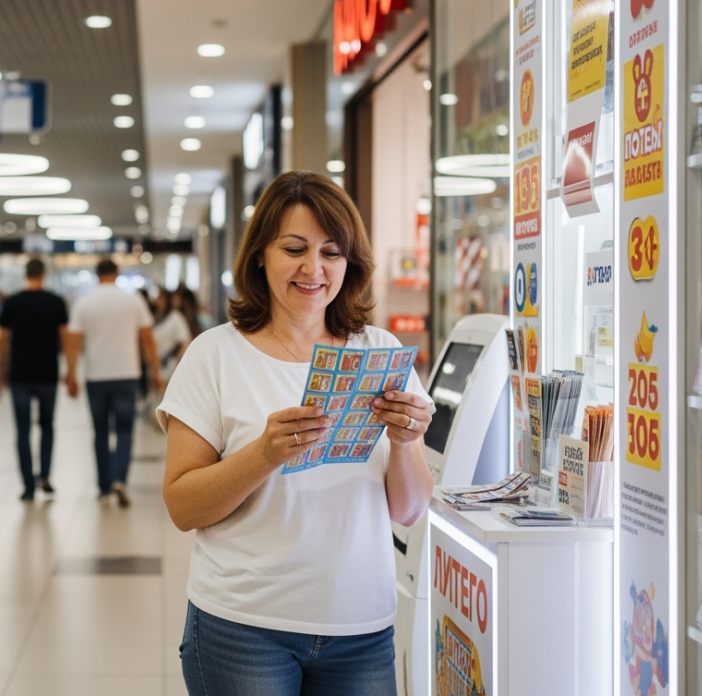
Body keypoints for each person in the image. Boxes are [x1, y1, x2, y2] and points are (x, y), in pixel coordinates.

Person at [157, 171, 434, 695]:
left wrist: (406, 441)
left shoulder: (378, 351)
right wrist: (264, 454)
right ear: (260, 254)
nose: (313, 269)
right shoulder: (215, 355)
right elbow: (183, 506)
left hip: (362, 627)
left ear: (350, 263)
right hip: (243, 626)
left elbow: (411, 510)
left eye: (332, 252)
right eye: (294, 248)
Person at [64, 259, 163, 506]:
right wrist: (156, 370)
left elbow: (73, 342)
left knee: (100, 432)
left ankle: (103, 485)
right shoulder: (133, 301)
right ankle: (120, 478)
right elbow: (148, 339)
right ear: (117, 274)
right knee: (124, 430)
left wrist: (71, 373)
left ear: (96, 275)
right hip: (127, 375)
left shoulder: (84, 303)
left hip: (96, 377)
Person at [0, 258, 69, 501]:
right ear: (43, 274)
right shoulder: (56, 302)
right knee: (48, 427)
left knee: (22, 430)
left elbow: (2, 341)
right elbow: (65, 337)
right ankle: (45, 476)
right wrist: (70, 369)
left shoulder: (13, 302)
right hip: (48, 374)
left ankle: (27, 485)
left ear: (26, 274)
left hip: (20, 375)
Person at [153, 289, 194, 379]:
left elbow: (185, 342)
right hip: (157, 365)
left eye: (160, 298)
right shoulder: (156, 318)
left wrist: (174, 362)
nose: (157, 300)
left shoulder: (176, 317)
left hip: (170, 365)